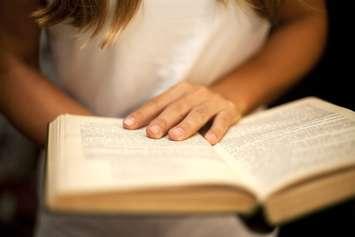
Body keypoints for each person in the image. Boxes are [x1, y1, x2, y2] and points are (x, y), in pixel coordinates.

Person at [0, 0, 327, 236]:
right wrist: (96, 147)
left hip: (229, 203)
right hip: (87, 208)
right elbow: (10, 60)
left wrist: (231, 94)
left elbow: (306, 18)